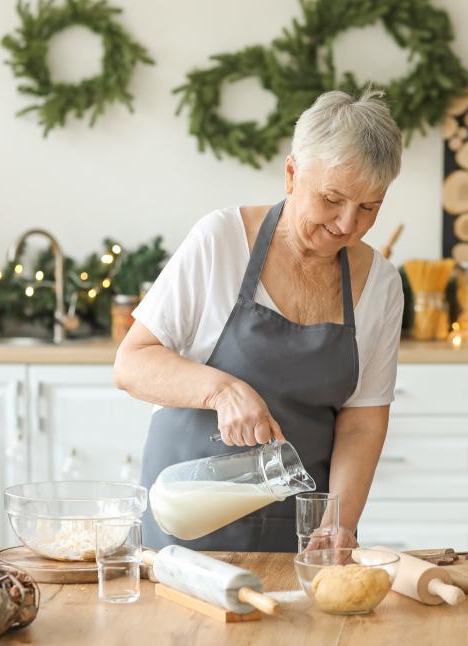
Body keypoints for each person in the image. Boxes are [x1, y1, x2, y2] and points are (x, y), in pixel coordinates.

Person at [113, 89, 405, 552]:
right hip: (186, 530)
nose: (348, 224)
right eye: (332, 199)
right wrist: (221, 390)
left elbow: (362, 421)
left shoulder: (381, 285)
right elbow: (131, 364)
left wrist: (338, 523)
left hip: (300, 534)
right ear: (291, 174)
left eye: (369, 207)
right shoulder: (220, 241)